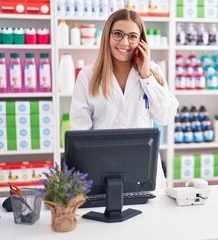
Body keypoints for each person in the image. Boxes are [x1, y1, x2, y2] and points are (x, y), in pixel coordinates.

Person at [70, 9, 179, 189]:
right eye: (118, 34)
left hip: (144, 168)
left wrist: (146, 77)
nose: (125, 42)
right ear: (108, 35)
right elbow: (80, 134)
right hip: (102, 168)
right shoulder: (87, 76)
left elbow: (165, 116)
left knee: (150, 215)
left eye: (132, 36)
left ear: (141, 41)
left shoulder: (152, 72)